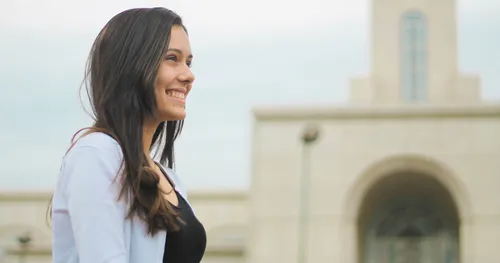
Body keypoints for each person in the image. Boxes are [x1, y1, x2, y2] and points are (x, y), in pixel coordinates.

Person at [50, 7, 206, 263]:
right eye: (172, 58)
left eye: (188, 62)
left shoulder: (170, 178)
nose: (189, 75)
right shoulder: (96, 156)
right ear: (132, 65)